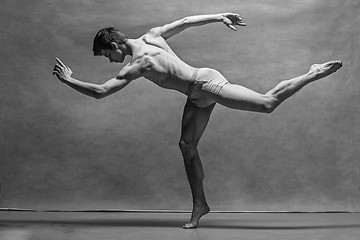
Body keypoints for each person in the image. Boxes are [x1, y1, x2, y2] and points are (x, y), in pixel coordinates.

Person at [53, 12, 342, 228]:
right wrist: (219, 16)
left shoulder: (139, 64)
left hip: (205, 85)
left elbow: (101, 92)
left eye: (107, 56)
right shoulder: (152, 35)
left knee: (267, 104)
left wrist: (69, 81)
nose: (110, 61)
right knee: (186, 144)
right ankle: (200, 205)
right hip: (195, 95)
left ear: (115, 45)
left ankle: (312, 72)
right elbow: (187, 21)